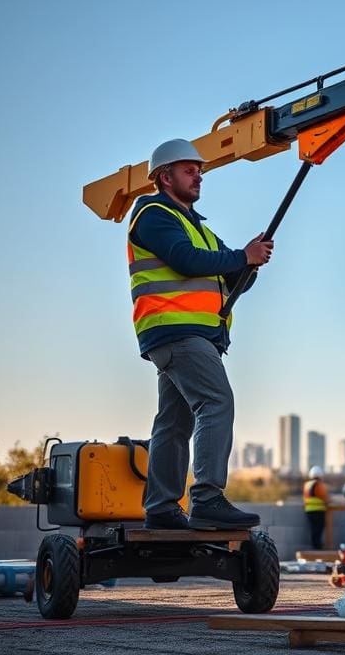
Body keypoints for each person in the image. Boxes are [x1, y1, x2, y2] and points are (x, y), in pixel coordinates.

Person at [128, 138, 274, 530]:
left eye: (200, 172)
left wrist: (249, 264)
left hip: (184, 335)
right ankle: (207, 498)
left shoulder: (200, 229)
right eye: (189, 171)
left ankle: (161, 507)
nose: (198, 178)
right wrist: (242, 256)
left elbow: (231, 275)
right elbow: (186, 260)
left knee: (174, 422)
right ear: (164, 177)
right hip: (177, 329)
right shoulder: (154, 214)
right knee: (216, 401)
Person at [303, 466, 329, 549]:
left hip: (309, 510)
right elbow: (325, 498)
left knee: (313, 529)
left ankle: (315, 546)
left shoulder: (307, 485)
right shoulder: (320, 485)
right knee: (318, 529)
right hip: (319, 510)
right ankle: (317, 547)